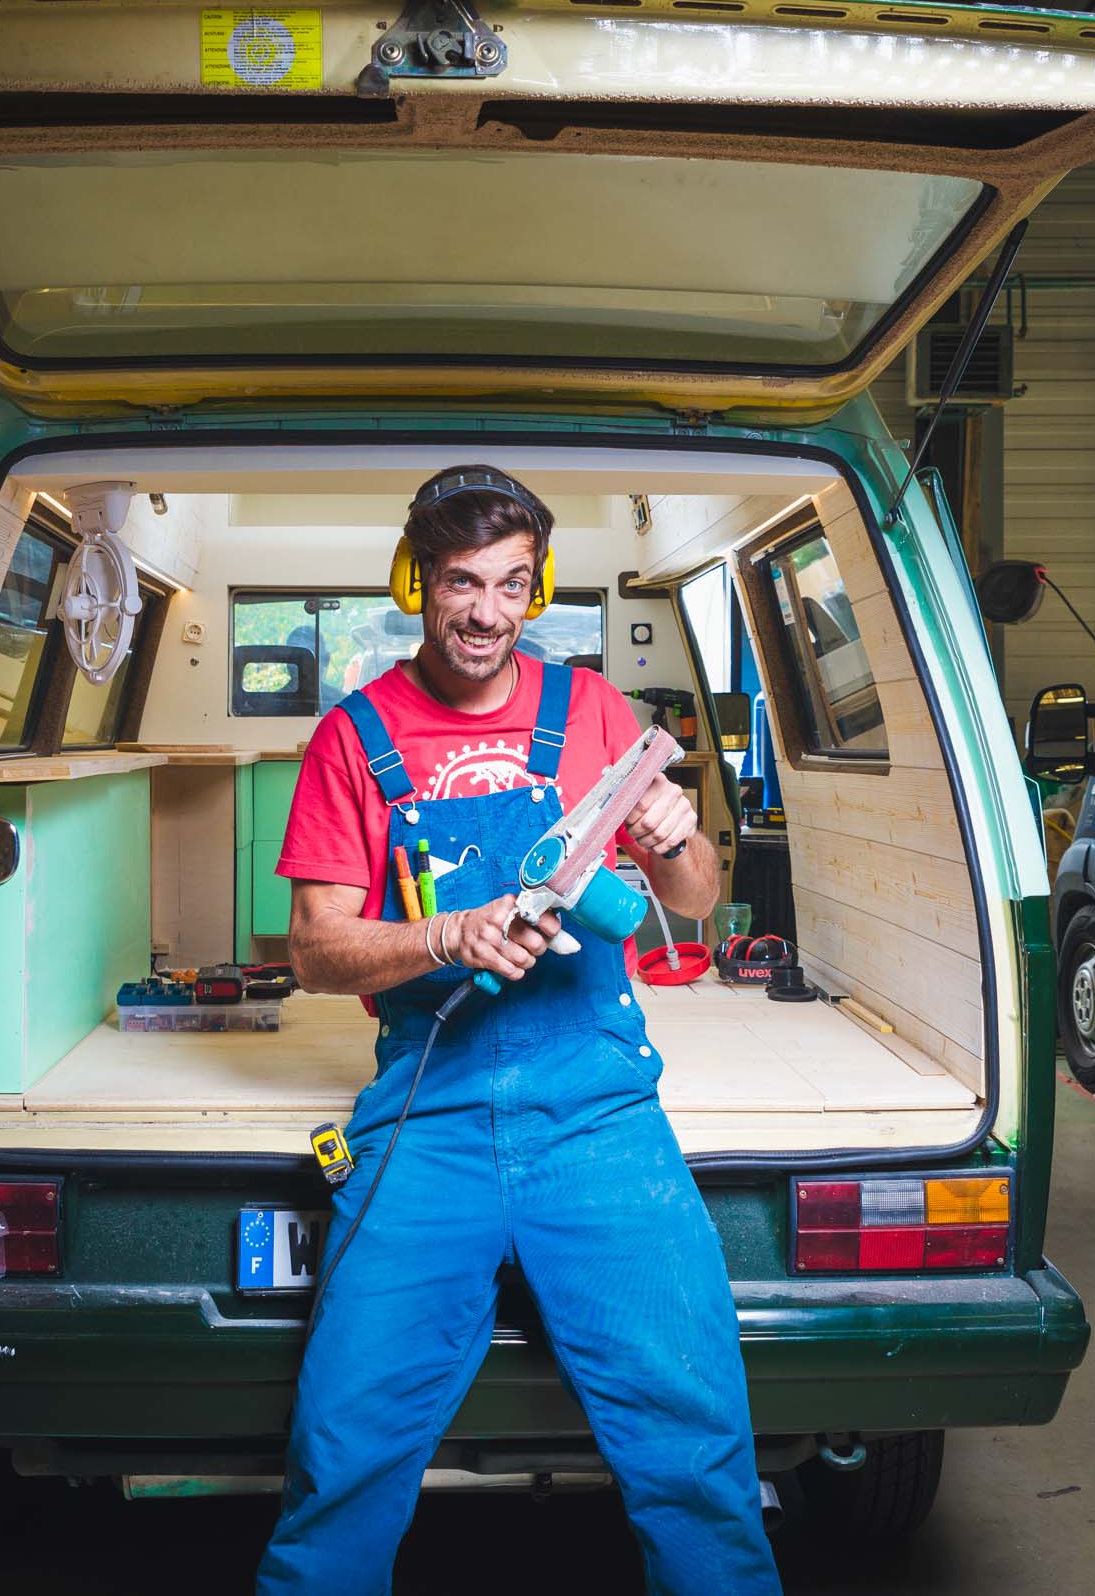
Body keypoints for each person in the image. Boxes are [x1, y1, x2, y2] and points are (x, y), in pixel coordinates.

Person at [255, 466, 781, 1594]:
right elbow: (311, 948)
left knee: (695, 1455)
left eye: (509, 583)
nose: (484, 611)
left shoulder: (592, 711)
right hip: (427, 1119)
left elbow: (690, 899)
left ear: (535, 587)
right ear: (417, 584)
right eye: (459, 582)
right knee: (341, 1459)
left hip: (595, 1117)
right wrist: (445, 937)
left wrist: (679, 831)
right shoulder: (354, 739)